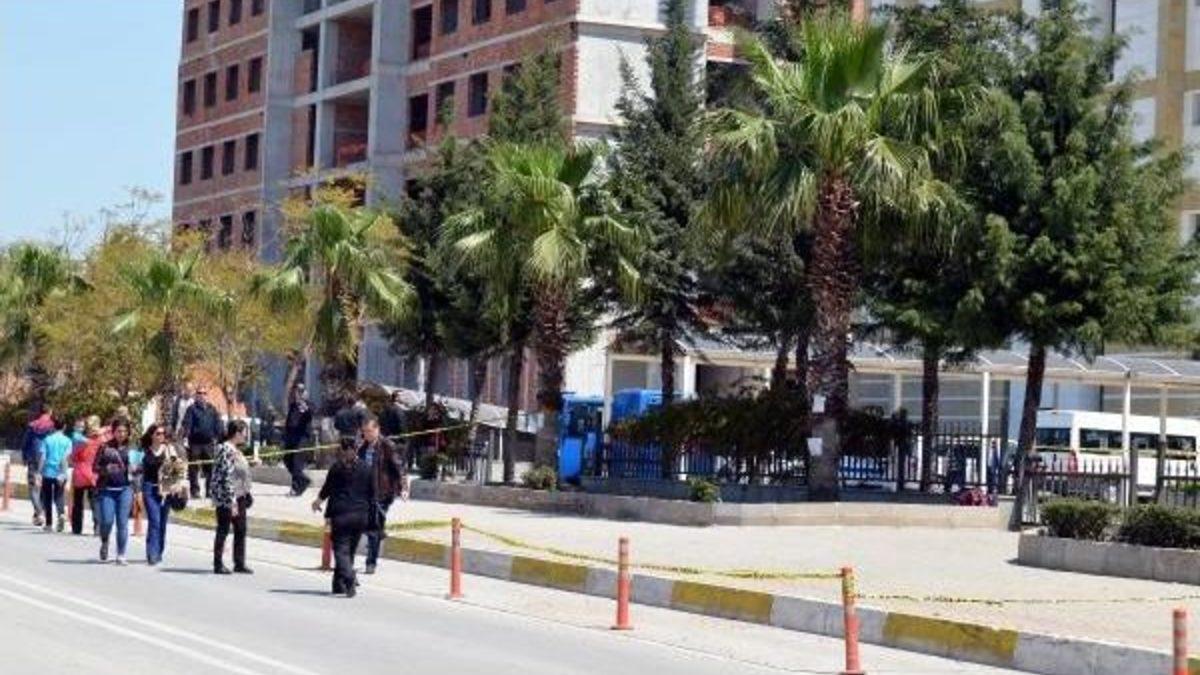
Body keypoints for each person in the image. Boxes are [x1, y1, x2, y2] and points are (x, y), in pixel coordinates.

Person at [312, 444, 374, 597]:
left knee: (341, 552)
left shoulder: (337, 468)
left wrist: (317, 502)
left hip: (341, 515)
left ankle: (350, 578)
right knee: (349, 552)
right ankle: (339, 585)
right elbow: (373, 493)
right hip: (360, 516)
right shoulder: (367, 468)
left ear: (342, 451)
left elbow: (327, 488)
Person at [358, 416, 407, 575]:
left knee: (373, 527)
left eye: (369, 431)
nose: (367, 434)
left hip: (382, 493)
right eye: (364, 431)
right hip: (365, 493)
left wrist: (404, 487)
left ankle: (370, 562)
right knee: (367, 525)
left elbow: (399, 467)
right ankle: (379, 533)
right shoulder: (362, 448)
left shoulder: (387, 446)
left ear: (377, 430)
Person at [210, 420, 256, 575]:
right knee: (223, 529)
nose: (245, 436)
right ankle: (218, 563)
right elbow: (226, 476)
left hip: (240, 494)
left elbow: (238, 470)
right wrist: (232, 501)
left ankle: (239, 562)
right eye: (244, 433)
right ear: (237, 433)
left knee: (241, 529)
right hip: (227, 496)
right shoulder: (225, 449)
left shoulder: (235, 450)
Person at [93, 420, 134, 564]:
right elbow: (95, 467)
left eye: (124, 431)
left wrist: (136, 470)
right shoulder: (105, 447)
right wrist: (106, 469)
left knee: (122, 523)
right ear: (113, 432)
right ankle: (105, 541)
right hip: (107, 490)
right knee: (107, 521)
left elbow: (140, 468)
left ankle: (121, 554)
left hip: (125, 489)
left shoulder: (132, 448)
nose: (121, 434)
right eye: (119, 431)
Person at [140, 424, 180, 565]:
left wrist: (175, 484)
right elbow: (138, 469)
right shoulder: (144, 451)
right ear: (151, 435)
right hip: (149, 488)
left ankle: (159, 551)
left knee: (162, 522)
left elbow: (177, 469)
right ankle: (152, 553)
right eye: (158, 433)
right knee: (154, 521)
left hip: (166, 490)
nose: (161, 436)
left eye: (163, 433)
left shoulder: (169, 450)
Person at [181, 386, 223, 499]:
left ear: (207, 395)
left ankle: (209, 491)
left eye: (204, 393)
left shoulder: (212, 409)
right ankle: (195, 491)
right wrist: (185, 437)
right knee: (193, 468)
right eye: (199, 393)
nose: (202, 395)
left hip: (209, 443)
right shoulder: (191, 409)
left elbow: (218, 424)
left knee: (210, 468)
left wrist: (219, 438)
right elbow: (187, 424)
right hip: (195, 443)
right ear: (196, 395)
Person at [20, 406, 54, 526]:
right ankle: (40, 513)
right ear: (50, 412)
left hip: (33, 457)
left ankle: (39, 512)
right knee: (44, 486)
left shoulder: (32, 425)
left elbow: (25, 442)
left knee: (33, 487)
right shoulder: (52, 426)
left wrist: (24, 456)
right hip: (47, 458)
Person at [69, 416, 102, 535]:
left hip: (80, 473)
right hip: (94, 474)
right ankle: (97, 526)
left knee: (78, 501)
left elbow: (73, 457)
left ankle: (77, 528)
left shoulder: (80, 441)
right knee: (95, 501)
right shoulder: (100, 441)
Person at [38, 416, 72, 533]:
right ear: (64, 427)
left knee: (47, 498)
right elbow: (66, 458)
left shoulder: (47, 440)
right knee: (59, 496)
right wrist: (64, 472)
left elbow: (43, 457)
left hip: (48, 472)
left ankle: (49, 524)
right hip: (61, 472)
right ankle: (61, 514)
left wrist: (39, 472)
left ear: (53, 427)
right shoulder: (68, 441)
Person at [283, 384, 314, 496]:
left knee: (296, 463)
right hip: (291, 437)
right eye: (297, 391)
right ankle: (304, 480)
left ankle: (296, 488)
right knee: (287, 460)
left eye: (301, 391)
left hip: (302, 438)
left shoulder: (308, 405)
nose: (298, 394)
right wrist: (285, 435)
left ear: (305, 393)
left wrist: (305, 406)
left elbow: (311, 414)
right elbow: (289, 421)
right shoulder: (293, 405)